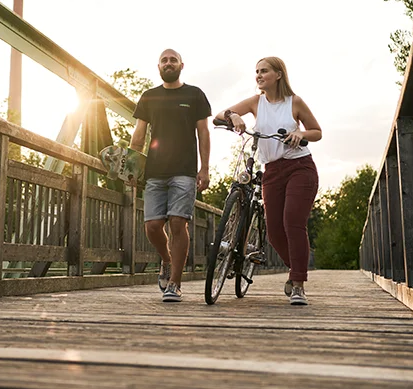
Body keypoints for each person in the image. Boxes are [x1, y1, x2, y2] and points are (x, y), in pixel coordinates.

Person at [218, 56, 321, 306]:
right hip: (272, 171)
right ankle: (296, 268)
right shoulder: (256, 102)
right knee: (274, 233)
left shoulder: (294, 102)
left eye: (264, 71)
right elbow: (219, 115)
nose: (259, 75)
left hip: (300, 167)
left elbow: (317, 132)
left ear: (278, 74)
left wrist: (300, 132)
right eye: (256, 72)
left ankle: (298, 284)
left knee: (292, 223)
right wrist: (234, 117)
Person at [130, 49, 211, 302]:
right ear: (158, 67)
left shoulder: (195, 94)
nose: (168, 63)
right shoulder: (149, 97)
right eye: (164, 60)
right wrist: (131, 166)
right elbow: (139, 135)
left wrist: (205, 168)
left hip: (184, 171)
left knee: (178, 223)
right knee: (153, 226)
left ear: (181, 65)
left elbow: (204, 133)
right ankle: (166, 260)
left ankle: (174, 283)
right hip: (154, 171)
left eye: (172, 60)